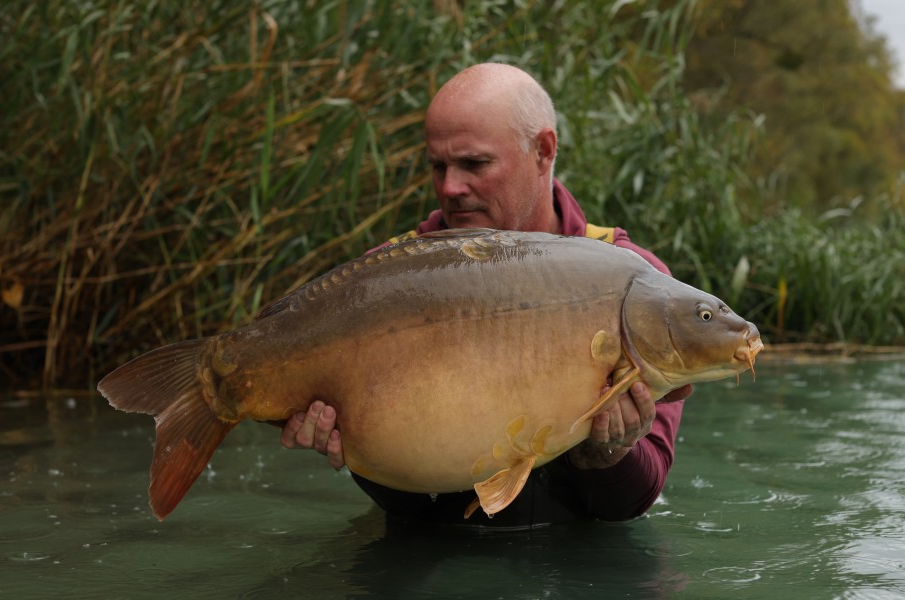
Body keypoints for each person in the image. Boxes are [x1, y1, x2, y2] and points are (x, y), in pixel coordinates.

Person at [280, 63, 692, 527]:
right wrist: (356, 451)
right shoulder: (383, 284)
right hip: (425, 555)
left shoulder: (640, 286)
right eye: (439, 166)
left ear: (543, 151)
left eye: (474, 164)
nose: (451, 187)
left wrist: (609, 453)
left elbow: (632, 503)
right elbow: (408, 511)